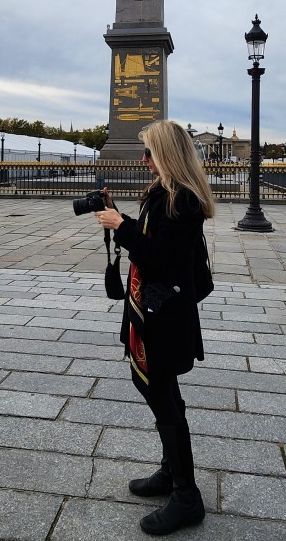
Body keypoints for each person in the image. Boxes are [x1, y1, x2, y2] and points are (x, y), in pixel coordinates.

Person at [95, 120, 214, 535]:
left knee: (162, 395)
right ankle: (171, 471)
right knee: (157, 390)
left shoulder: (182, 201)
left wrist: (120, 227)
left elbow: (160, 258)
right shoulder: (165, 195)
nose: (143, 159)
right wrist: (123, 218)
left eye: (148, 152)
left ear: (164, 154)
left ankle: (186, 496)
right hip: (152, 309)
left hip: (164, 314)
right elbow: (155, 241)